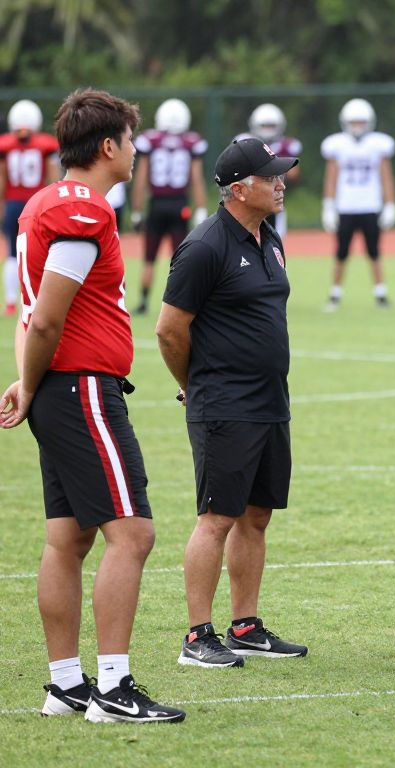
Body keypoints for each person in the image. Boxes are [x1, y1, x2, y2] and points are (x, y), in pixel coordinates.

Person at [0, 88, 184, 723]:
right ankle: (112, 686)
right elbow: (47, 319)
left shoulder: (43, 205)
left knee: (68, 539)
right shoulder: (83, 209)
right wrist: (34, 379)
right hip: (81, 386)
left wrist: (27, 382)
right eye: (130, 141)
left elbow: (31, 315)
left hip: (56, 385)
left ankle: (64, 683)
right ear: (109, 146)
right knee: (132, 534)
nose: (135, 152)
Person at [155, 138, 307, 669]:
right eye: (270, 177)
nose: (281, 182)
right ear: (239, 189)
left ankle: (245, 626)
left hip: (270, 401)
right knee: (216, 517)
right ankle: (198, 637)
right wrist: (195, 384)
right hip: (224, 403)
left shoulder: (269, 237)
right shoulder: (204, 247)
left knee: (256, 515)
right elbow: (170, 330)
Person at [130, 98, 208, 314]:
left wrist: (137, 211)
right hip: (180, 205)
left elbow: (141, 178)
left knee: (149, 258)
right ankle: (182, 303)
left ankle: (144, 303)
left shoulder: (151, 141)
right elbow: (197, 178)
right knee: (181, 260)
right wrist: (200, 209)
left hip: (156, 204)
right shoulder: (191, 142)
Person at [320, 98, 395, 310]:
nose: (357, 126)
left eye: (361, 122)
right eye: (353, 122)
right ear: (345, 122)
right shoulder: (337, 145)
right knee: (341, 252)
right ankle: (335, 294)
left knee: (374, 251)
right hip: (345, 206)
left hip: (370, 205)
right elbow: (331, 177)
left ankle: (380, 294)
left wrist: (390, 204)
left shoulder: (378, 144)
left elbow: (386, 176)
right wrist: (328, 205)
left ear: (369, 122)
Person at [1, 99, 60, 314]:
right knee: (42, 253)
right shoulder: (46, 144)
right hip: (37, 205)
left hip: (13, 203)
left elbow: (1, 178)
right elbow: (53, 178)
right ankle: (37, 300)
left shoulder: (5, 144)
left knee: (11, 253)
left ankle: (10, 302)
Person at [234, 103, 302, 237]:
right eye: (264, 126)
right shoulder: (245, 142)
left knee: (275, 239)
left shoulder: (286, 145)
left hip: (274, 202)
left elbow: (294, 174)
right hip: (249, 201)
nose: (267, 130)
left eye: (271, 126)